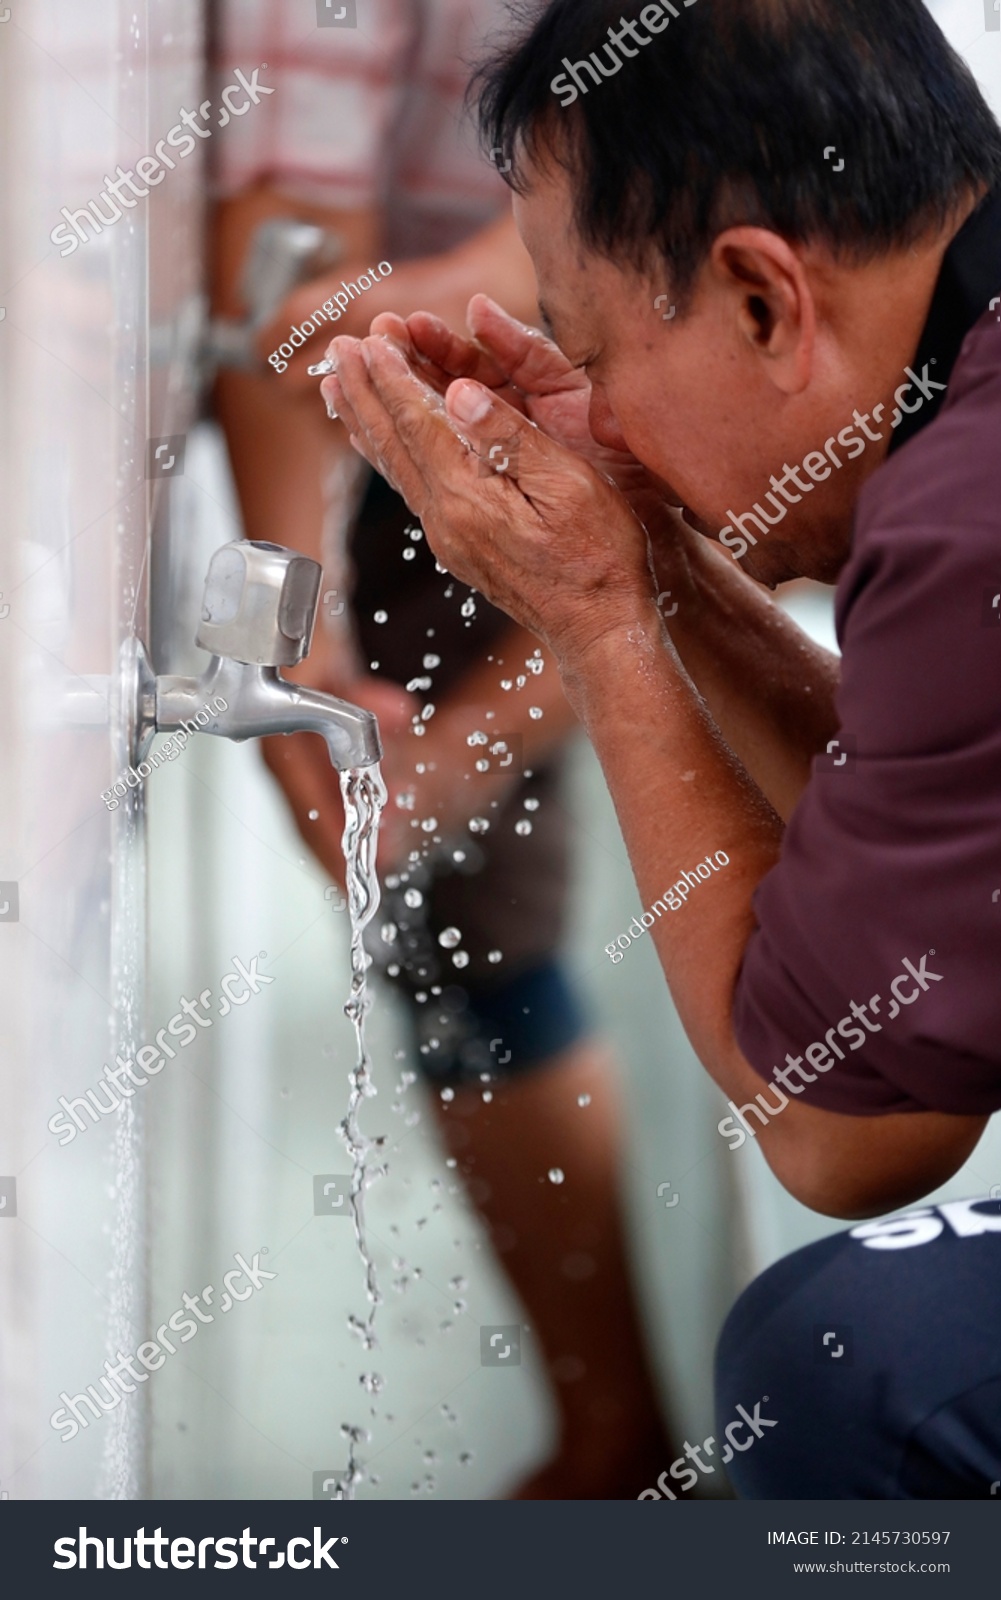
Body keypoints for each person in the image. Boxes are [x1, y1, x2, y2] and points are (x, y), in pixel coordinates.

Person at [320, 0, 1001, 1497]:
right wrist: (652, 547)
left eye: (592, 348)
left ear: (760, 298)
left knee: (840, 1364)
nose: (597, 401)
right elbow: (947, 838)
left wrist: (599, 617)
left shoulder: (964, 514)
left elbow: (845, 1124)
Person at [210, 0, 675, 1498]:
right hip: (478, 327)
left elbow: (677, 546)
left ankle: (626, 1445)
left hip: (635, 314)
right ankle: (615, 1439)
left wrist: (466, 755)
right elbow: (291, 281)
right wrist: (307, 640)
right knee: (460, 932)